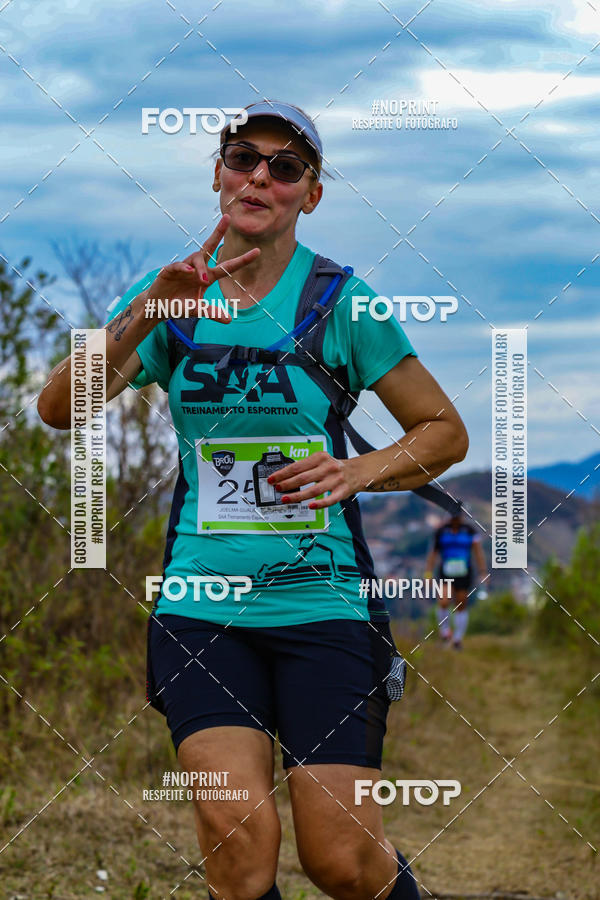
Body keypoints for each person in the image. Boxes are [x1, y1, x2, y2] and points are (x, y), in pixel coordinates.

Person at [38, 100, 469, 900]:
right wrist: (150, 309)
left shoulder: (342, 301)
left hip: (324, 602)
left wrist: (359, 470)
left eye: (285, 166)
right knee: (239, 851)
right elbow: (62, 407)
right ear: (216, 174)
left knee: (340, 861)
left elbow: (444, 432)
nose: (258, 176)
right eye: (242, 157)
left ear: (310, 194)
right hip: (203, 602)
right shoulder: (170, 294)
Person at [424, 503, 487, 649]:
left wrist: (483, 571)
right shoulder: (441, 531)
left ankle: (458, 638)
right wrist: (428, 572)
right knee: (444, 601)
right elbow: (432, 554)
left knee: (461, 604)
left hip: (464, 573)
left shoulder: (470, 531)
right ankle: (445, 632)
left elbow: (478, 552)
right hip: (446, 572)